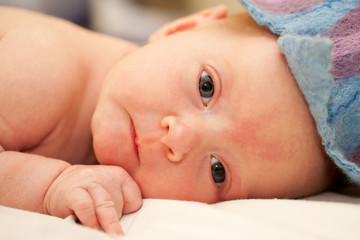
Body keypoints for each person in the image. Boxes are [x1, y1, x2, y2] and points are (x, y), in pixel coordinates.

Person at [0, 0, 357, 236]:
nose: (179, 138)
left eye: (218, 170)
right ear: (182, 28)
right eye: (206, 87)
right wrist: (50, 185)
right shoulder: (43, 69)